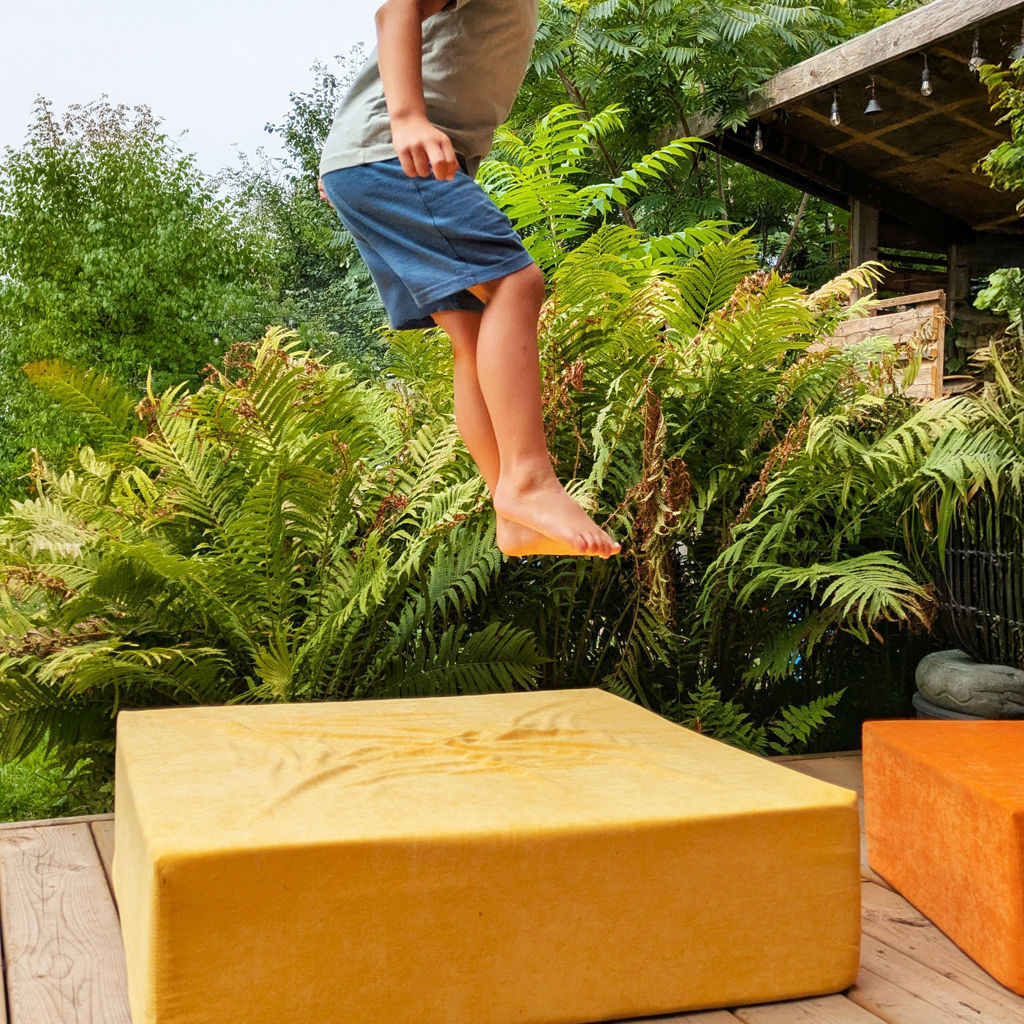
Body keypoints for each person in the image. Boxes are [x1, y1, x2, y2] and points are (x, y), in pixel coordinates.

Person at [317, 0, 621, 559]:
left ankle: (512, 511)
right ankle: (529, 480)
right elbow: (397, 9)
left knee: (473, 331)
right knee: (517, 283)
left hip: (375, 158)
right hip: (391, 152)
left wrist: (349, 157)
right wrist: (406, 118)